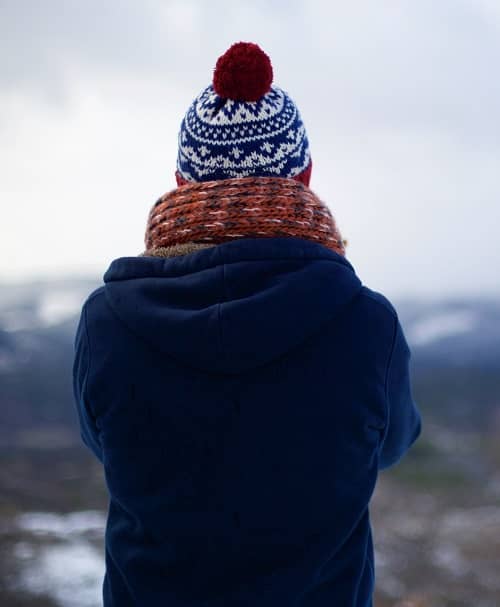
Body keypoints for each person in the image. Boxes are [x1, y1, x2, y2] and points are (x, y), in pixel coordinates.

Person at [73, 41, 422, 607]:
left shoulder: (106, 323)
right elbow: (391, 444)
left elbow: (102, 442)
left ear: (182, 181)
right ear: (304, 176)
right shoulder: (367, 324)